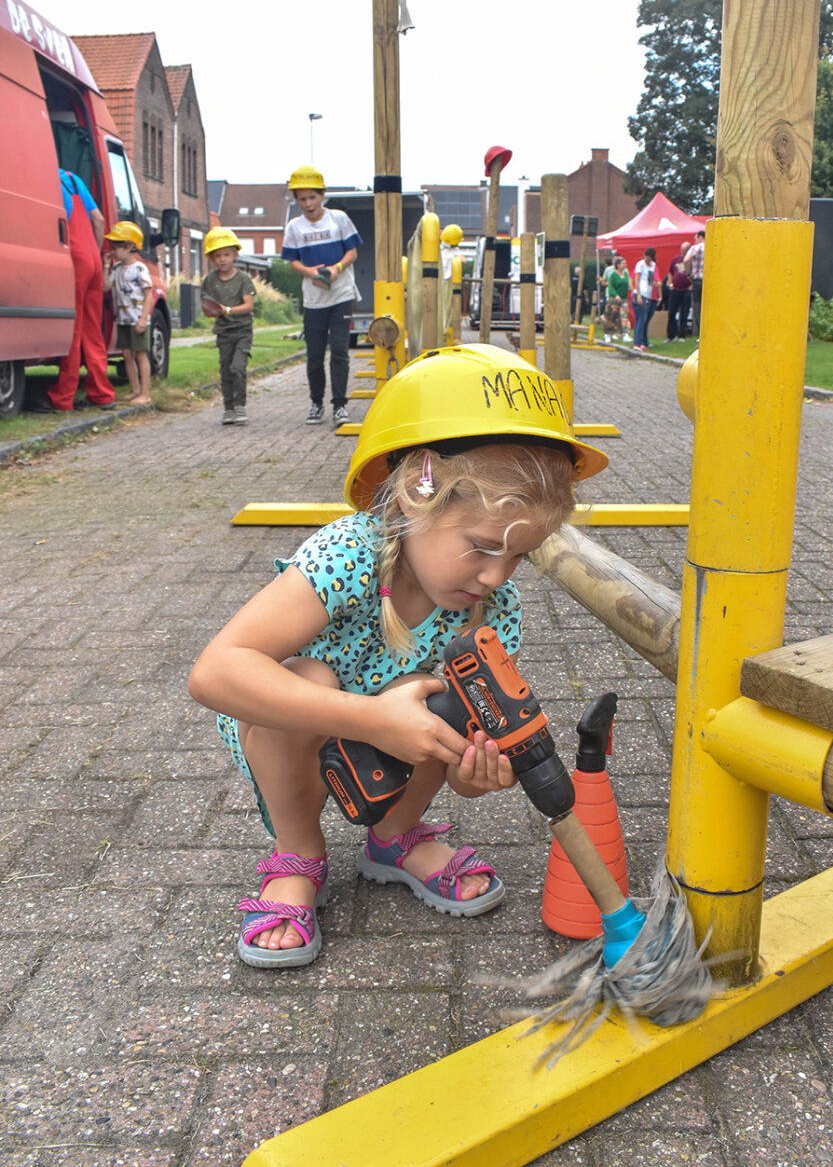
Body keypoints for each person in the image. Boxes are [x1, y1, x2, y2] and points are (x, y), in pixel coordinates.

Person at [188, 343, 608, 968]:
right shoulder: (348, 554)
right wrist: (375, 720)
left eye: (520, 555)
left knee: (455, 698)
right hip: (286, 733)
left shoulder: (494, 610)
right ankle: (298, 853)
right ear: (418, 493)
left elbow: (468, 746)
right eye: (482, 546)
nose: (498, 575)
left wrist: (472, 772)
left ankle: (393, 838)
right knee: (307, 672)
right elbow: (214, 672)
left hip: (392, 744)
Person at [282, 164, 362, 427]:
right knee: (315, 354)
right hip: (313, 299)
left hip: (341, 294)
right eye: (302, 199)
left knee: (339, 350)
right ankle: (316, 402)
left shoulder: (338, 219)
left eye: (312, 197)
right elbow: (292, 260)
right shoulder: (294, 227)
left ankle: (340, 406)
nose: (308, 203)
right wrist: (309, 271)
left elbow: (352, 253)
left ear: (322, 195)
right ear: (296, 200)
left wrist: (337, 268)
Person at [42, 169, 116, 413]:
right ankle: (102, 394)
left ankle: (63, 398)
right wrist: (95, 253)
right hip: (93, 260)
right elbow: (100, 220)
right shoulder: (73, 178)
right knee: (92, 330)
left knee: (72, 331)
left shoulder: (47, 180)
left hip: (75, 259)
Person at [200, 228, 256, 425]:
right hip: (223, 332)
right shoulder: (210, 281)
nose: (222, 259)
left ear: (235, 255)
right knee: (225, 370)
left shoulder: (243, 279)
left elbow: (249, 305)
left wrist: (228, 310)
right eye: (217, 256)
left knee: (238, 367)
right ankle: (229, 408)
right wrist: (213, 310)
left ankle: (240, 405)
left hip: (242, 330)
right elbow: (206, 305)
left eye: (226, 254)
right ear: (212, 258)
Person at [103, 222, 154, 406]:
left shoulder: (140, 269)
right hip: (123, 319)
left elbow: (149, 294)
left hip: (137, 319)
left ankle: (145, 393)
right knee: (126, 354)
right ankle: (134, 390)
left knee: (140, 355)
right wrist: (105, 266)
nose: (113, 251)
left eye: (116, 247)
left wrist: (143, 318)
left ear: (130, 246)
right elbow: (106, 286)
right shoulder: (116, 269)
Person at [631, 247, 660, 352]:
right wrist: (638, 295)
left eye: (649, 258)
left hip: (648, 295)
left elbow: (650, 280)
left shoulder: (653, 265)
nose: (647, 260)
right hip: (640, 294)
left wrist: (655, 284)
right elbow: (636, 281)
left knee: (644, 320)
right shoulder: (640, 264)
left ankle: (642, 341)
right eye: (646, 257)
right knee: (640, 319)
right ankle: (637, 342)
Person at [666, 242, 692, 341]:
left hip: (686, 289)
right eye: (682, 249)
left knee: (684, 313)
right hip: (675, 289)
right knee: (672, 313)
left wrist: (691, 285)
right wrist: (670, 282)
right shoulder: (676, 260)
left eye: (685, 250)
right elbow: (670, 272)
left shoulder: (691, 260)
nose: (682, 251)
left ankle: (682, 335)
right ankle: (671, 335)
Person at [683, 229, 706, 338]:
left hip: (697, 280)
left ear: (700, 237)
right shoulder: (712, 246)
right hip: (708, 280)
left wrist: (688, 274)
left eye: (695, 238)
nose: (695, 241)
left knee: (697, 307)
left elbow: (686, 260)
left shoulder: (695, 248)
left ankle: (698, 332)